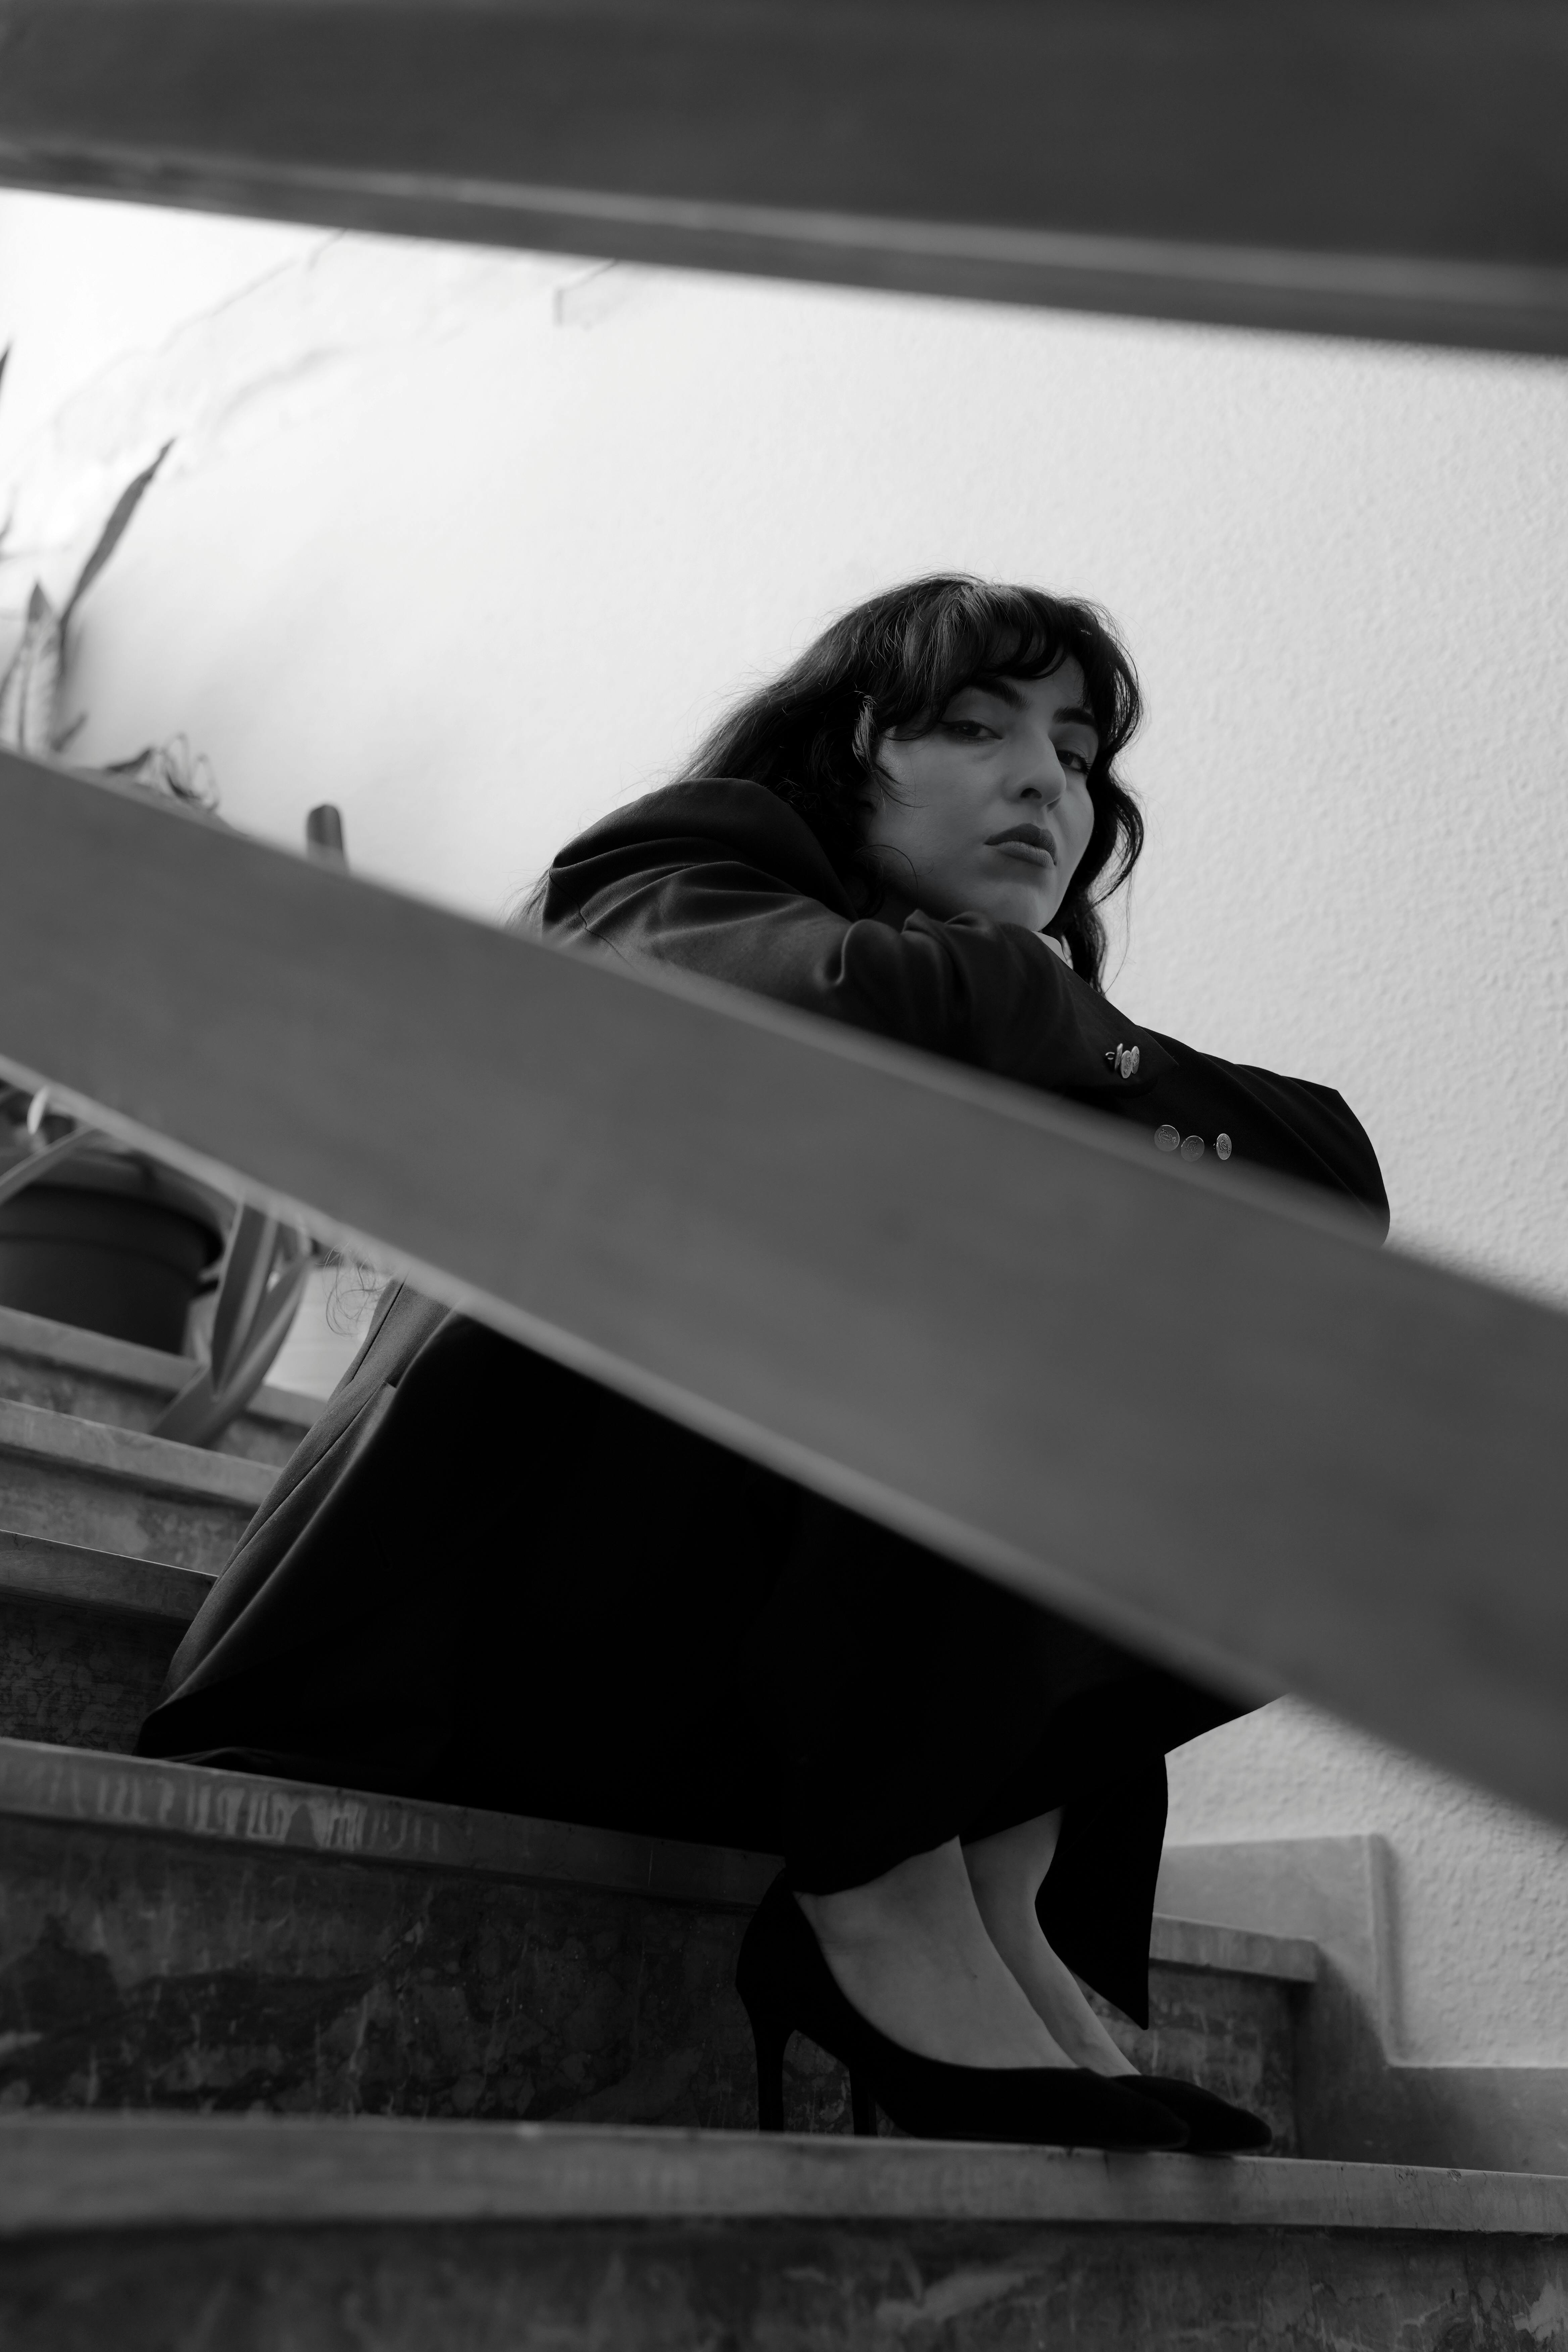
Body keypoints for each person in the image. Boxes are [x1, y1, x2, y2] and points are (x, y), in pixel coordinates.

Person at [139, 575, 1387, 2153]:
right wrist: (1070, 1028)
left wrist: (1085, 1046)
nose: (1044, 785)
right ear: (842, 751)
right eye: (978, 727)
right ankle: (881, 1895)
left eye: (1076, 754)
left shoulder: (1019, 1028)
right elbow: (825, 1018)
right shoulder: (666, 874)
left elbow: (1323, 1176)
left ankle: (988, 1889)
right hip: (473, 1627)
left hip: (716, 1690)